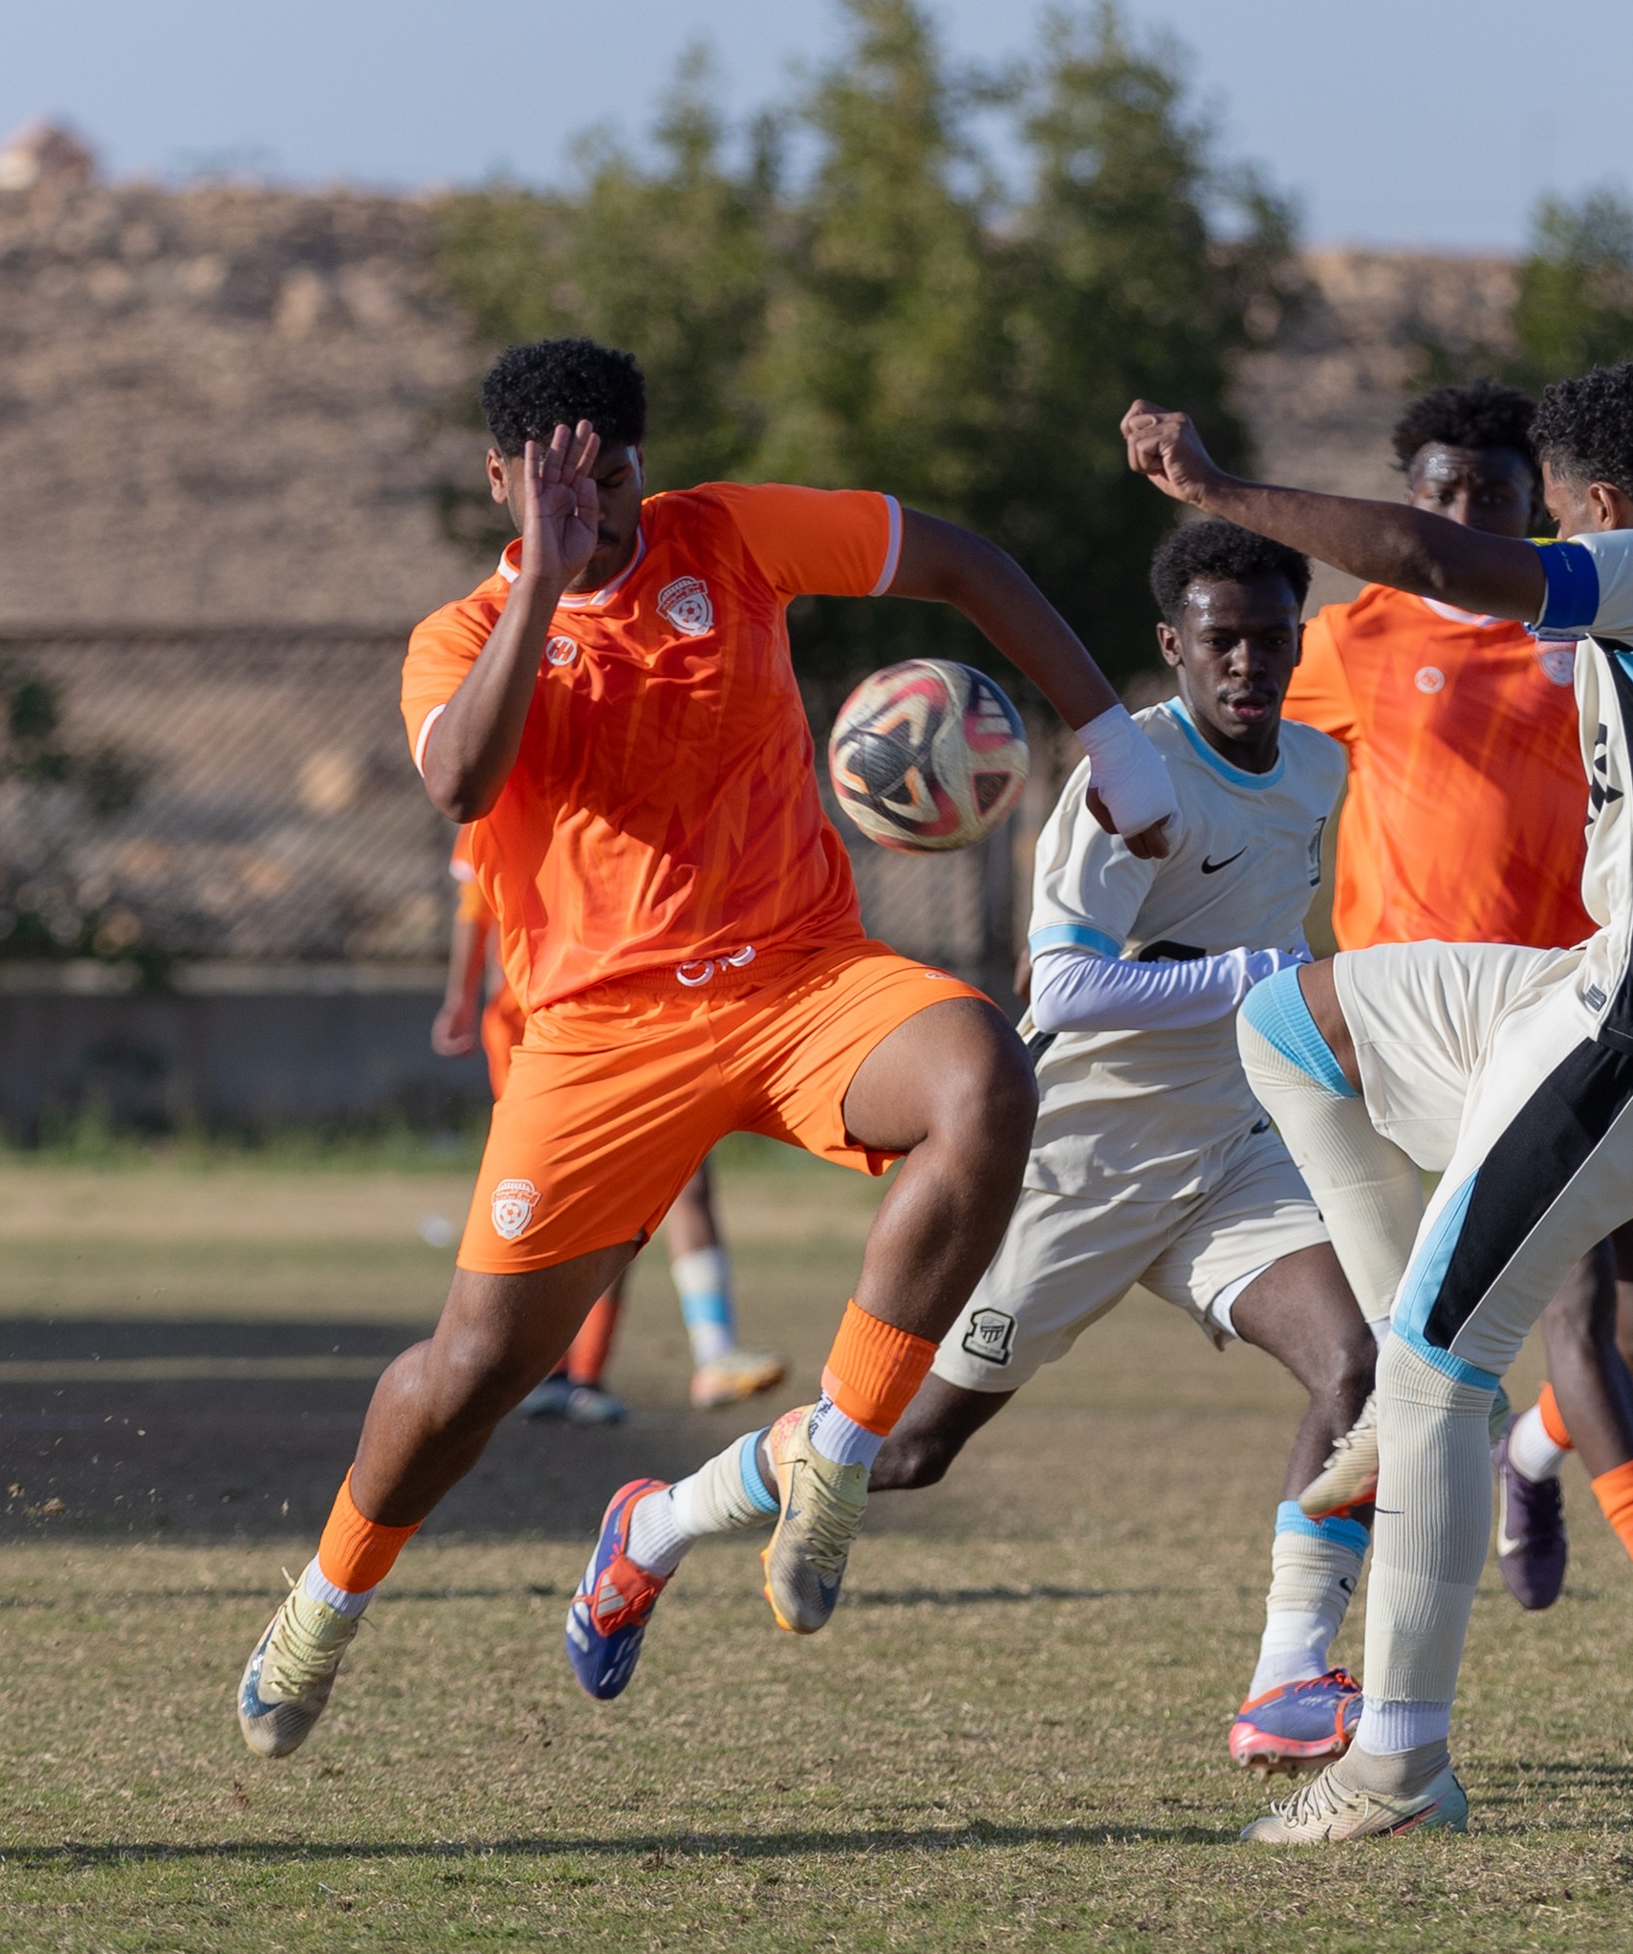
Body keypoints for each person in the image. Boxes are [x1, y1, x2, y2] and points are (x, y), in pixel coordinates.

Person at [237, 335, 1180, 1760]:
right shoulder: (458, 634)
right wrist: (544, 580)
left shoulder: (725, 536)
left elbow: (965, 562)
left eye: (614, 473)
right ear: (503, 480)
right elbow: (460, 780)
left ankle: (841, 1455)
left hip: (801, 978)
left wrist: (1111, 739)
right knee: (470, 1379)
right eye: (557, 481)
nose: (599, 503)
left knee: (985, 1080)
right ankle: (324, 1598)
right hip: (600, 1039)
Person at [1123, 361, 1633, 1840]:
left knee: (1449, 1369)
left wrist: (1216, 492)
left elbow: (1442, 560)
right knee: (1293, 1018)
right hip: (1586, 996)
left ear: (1596, 506)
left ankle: (1399, 1764)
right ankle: (1407, 1392)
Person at [570, 523, 1383, 1776]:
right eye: (1221, 640)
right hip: (1075, 1168)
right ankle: (658, 1520)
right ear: (1174, 646)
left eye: (1273, 638)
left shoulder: (1319, 768)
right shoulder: (1133, 783)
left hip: (1229, 1151)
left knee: (1358, 1369)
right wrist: (1260, 976)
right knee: (903, 1450)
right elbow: (1056, 987)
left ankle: (1285, 1677)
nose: (1249, 663)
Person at [1281, 379, 1633, 1651]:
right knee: (1570, 1305)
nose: (1467, 509)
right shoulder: (1356, 638)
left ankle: (1533, 1463)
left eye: (1491, 491)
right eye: (1441, 493)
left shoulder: (1583, 620)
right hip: (1462, 1035)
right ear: (1410, 502)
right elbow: (1255, 754)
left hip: (1607, 994)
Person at [434, 839, 789, 1421]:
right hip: (541, 1026)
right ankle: (552, 1371)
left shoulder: (634, 779)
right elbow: (475, 901)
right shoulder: (499, 780)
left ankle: (663, 1361)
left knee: (662, 1184)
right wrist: (458, 995)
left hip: (636, 1013)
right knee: (566, 1197)